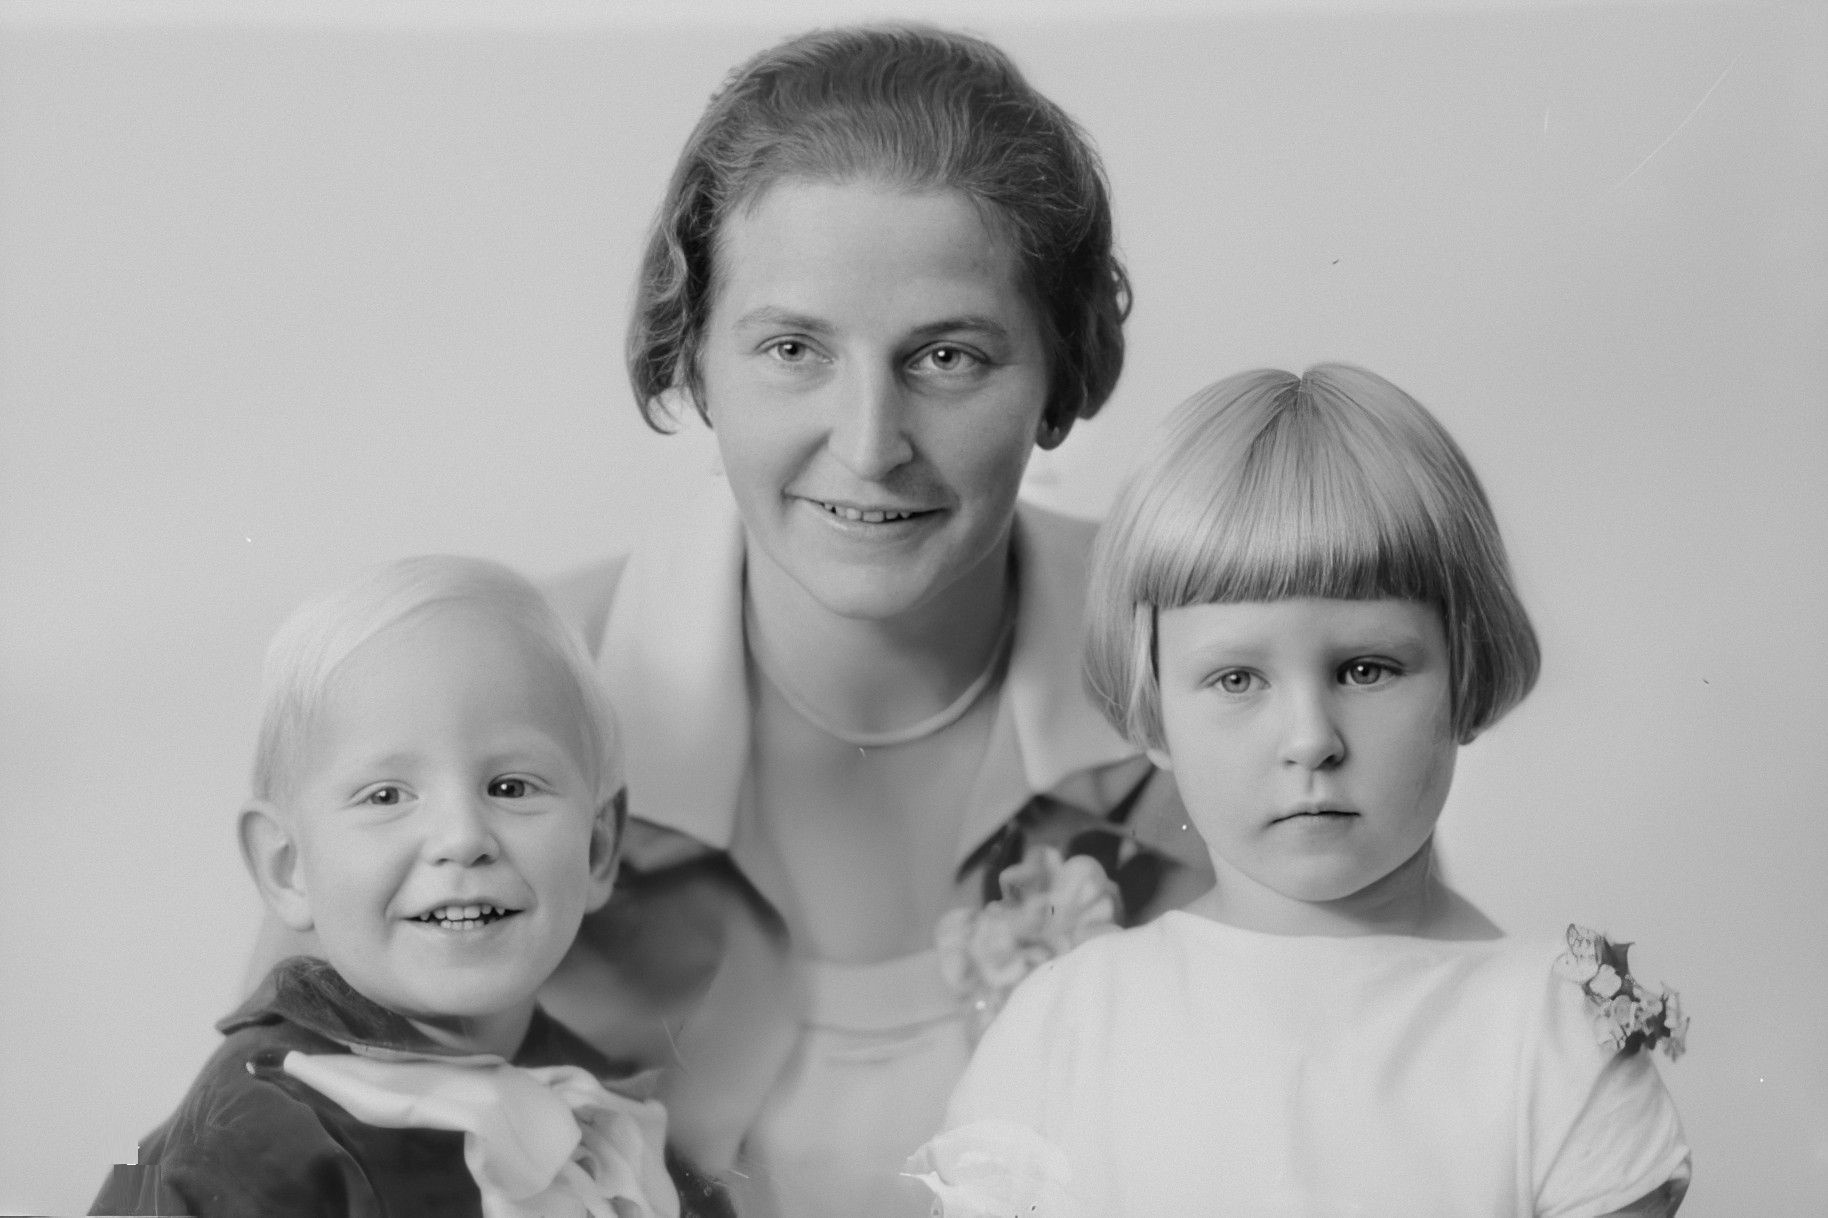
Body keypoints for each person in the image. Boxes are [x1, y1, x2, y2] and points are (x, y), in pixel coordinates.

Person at [529, 23, 1214, 1218]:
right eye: (792, 348)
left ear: (1061, 374)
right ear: (693, 360)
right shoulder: (513, 685)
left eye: (947, 356)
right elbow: (268, 1145)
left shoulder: (1225, 672)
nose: (867, 444)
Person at [913, 366, 1692, 1216]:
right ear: (1152, 707)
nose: (1311, 738)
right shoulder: (1065, 1027)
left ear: (1466, 675)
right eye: (1238, 678)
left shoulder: (1554, 1042)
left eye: (1366, 669)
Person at [99, 557, 729, 1218]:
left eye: (510, 787)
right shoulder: (260, 1129)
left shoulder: (606, 1104)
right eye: (387, 795)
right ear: (288, 867)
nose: (462, 836)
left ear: (598, 848)